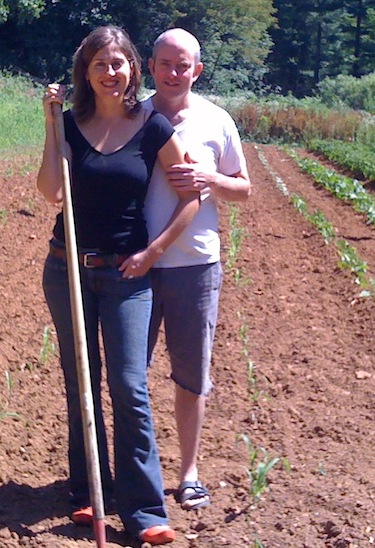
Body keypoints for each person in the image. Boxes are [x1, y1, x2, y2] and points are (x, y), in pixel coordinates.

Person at [37, 25, 199, 545]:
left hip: (128, 276)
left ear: (133, 68)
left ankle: (145, 511)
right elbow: (48, 191)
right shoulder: (69, 124)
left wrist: (152, 252)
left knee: (129, 386)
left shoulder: (152, 127)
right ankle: (89, 492)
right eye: (101, 64)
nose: (112, 72)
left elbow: (190, 197)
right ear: (87, 72)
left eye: (120, 62)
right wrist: (48, 125)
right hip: (67, 269)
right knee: (79, 379)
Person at [143, 28, 251, 511]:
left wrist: (209, 178)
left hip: (195, 266)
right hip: (135, 265)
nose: (172, 73)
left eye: (181, 65)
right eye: (164, 63)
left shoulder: (216, 121)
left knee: (191, 375)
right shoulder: (132, 115)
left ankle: (188, 473)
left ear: (197, 71)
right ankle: (132, 469)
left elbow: (244, 189)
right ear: (150, 67)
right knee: (130, 375)